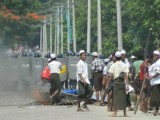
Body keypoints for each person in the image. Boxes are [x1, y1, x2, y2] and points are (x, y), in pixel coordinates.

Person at [107, 51, 129, 117]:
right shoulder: (124, 65)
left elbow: (110, 75)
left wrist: (107, 83)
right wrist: (127, 84)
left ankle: (115, 112)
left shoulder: (113, 65)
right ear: (121, 57)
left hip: (116, 82)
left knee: (115, 97)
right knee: (123, 97)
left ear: (115, 57)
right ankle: (124, 113)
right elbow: (126, 75)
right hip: (122, 82)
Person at [148, 50, 160, 115]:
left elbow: (158, 73)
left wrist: (151, 77)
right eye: (153, 55)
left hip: (157, 81)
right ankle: (156, 110)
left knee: (156, 97)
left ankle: (157, 110)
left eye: (155, 55)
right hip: (156, 81)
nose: (153, 56)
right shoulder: (156, 62)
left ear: (158, 56)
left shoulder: (158, 63)